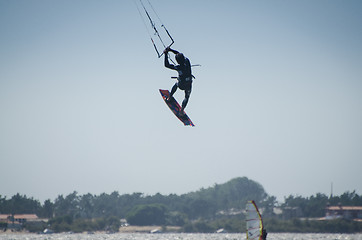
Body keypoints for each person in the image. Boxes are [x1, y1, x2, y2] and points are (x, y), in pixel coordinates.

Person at [163, 47, 193, 113]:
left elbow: (166, 65)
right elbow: (178, 53)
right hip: (189, 84)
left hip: (181, 85)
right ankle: (182, 111)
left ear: (177, 61)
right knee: (187, 97)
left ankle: (169, 98)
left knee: (176, 83)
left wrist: (165, 54)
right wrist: (170, 50)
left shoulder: (178, 67)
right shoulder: (187, 61)